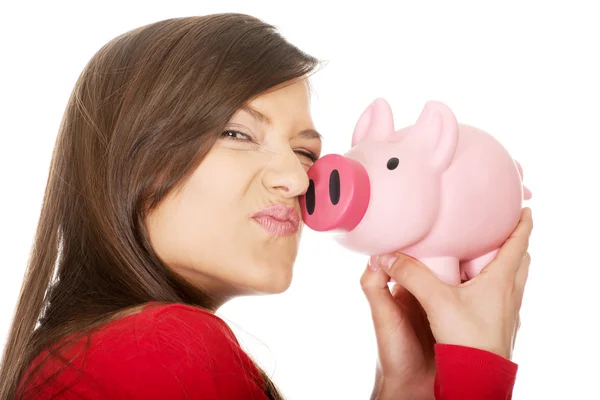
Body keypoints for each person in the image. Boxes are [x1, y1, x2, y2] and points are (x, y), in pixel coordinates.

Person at [0, 13, 533, 400]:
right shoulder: (160, 350)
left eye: (306, 152)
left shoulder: (81, 358)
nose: (297, 179)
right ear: (127, 158)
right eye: (237, 133)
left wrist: (403, 390)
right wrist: (477, 375)